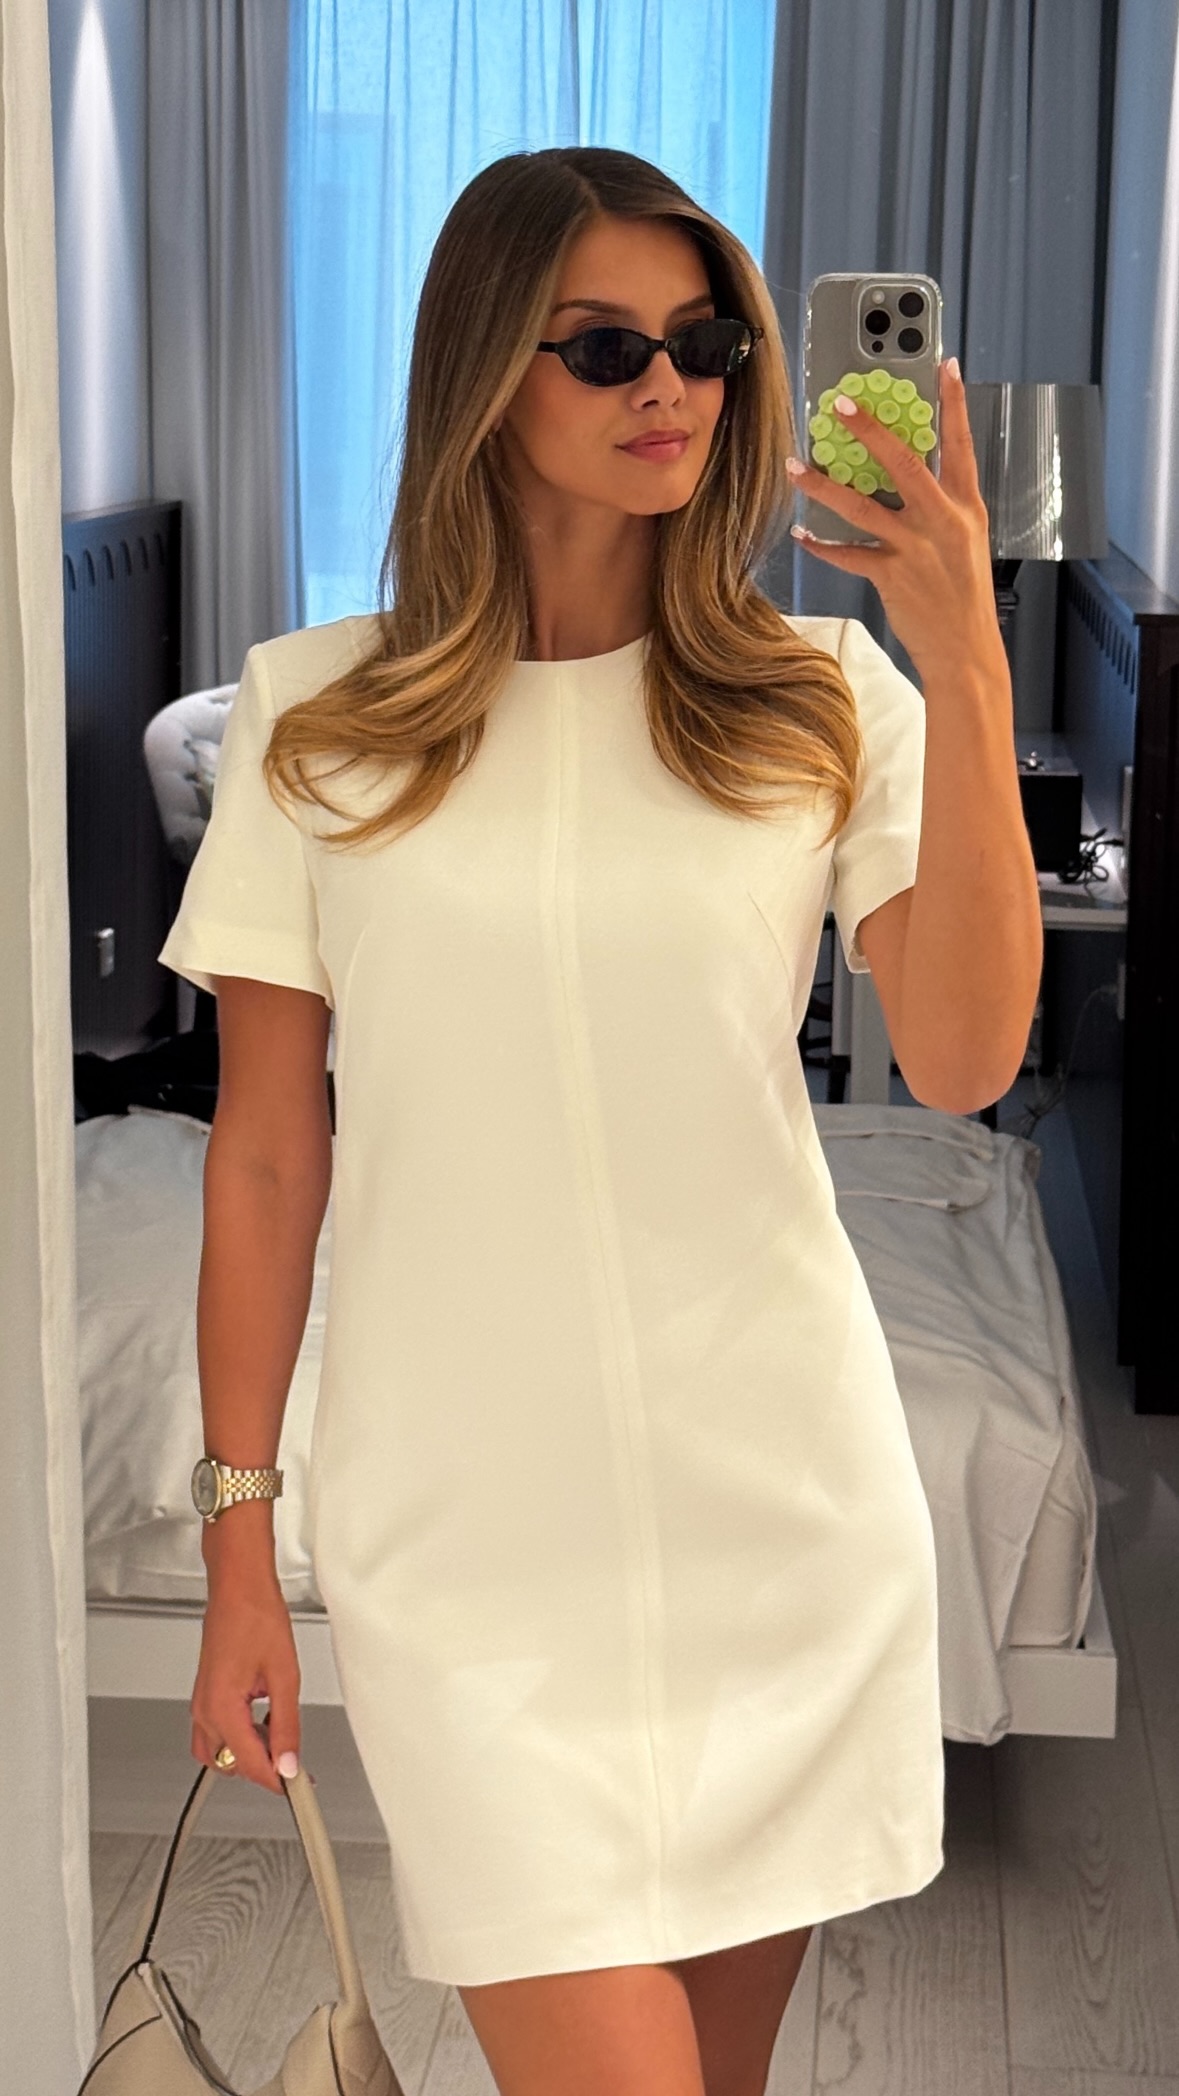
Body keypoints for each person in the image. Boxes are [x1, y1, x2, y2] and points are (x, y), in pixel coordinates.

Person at [159, 146, 1042, 2096]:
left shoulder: (822, 700)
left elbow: (967, 1057)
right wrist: (239, 1543)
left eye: (707, 345)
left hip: (777, 1512)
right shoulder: (315, 718)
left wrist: (963, 656)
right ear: (484, 371)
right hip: (462, 1545)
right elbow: (269, 1157)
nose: (673, 386)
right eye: (607, 346)